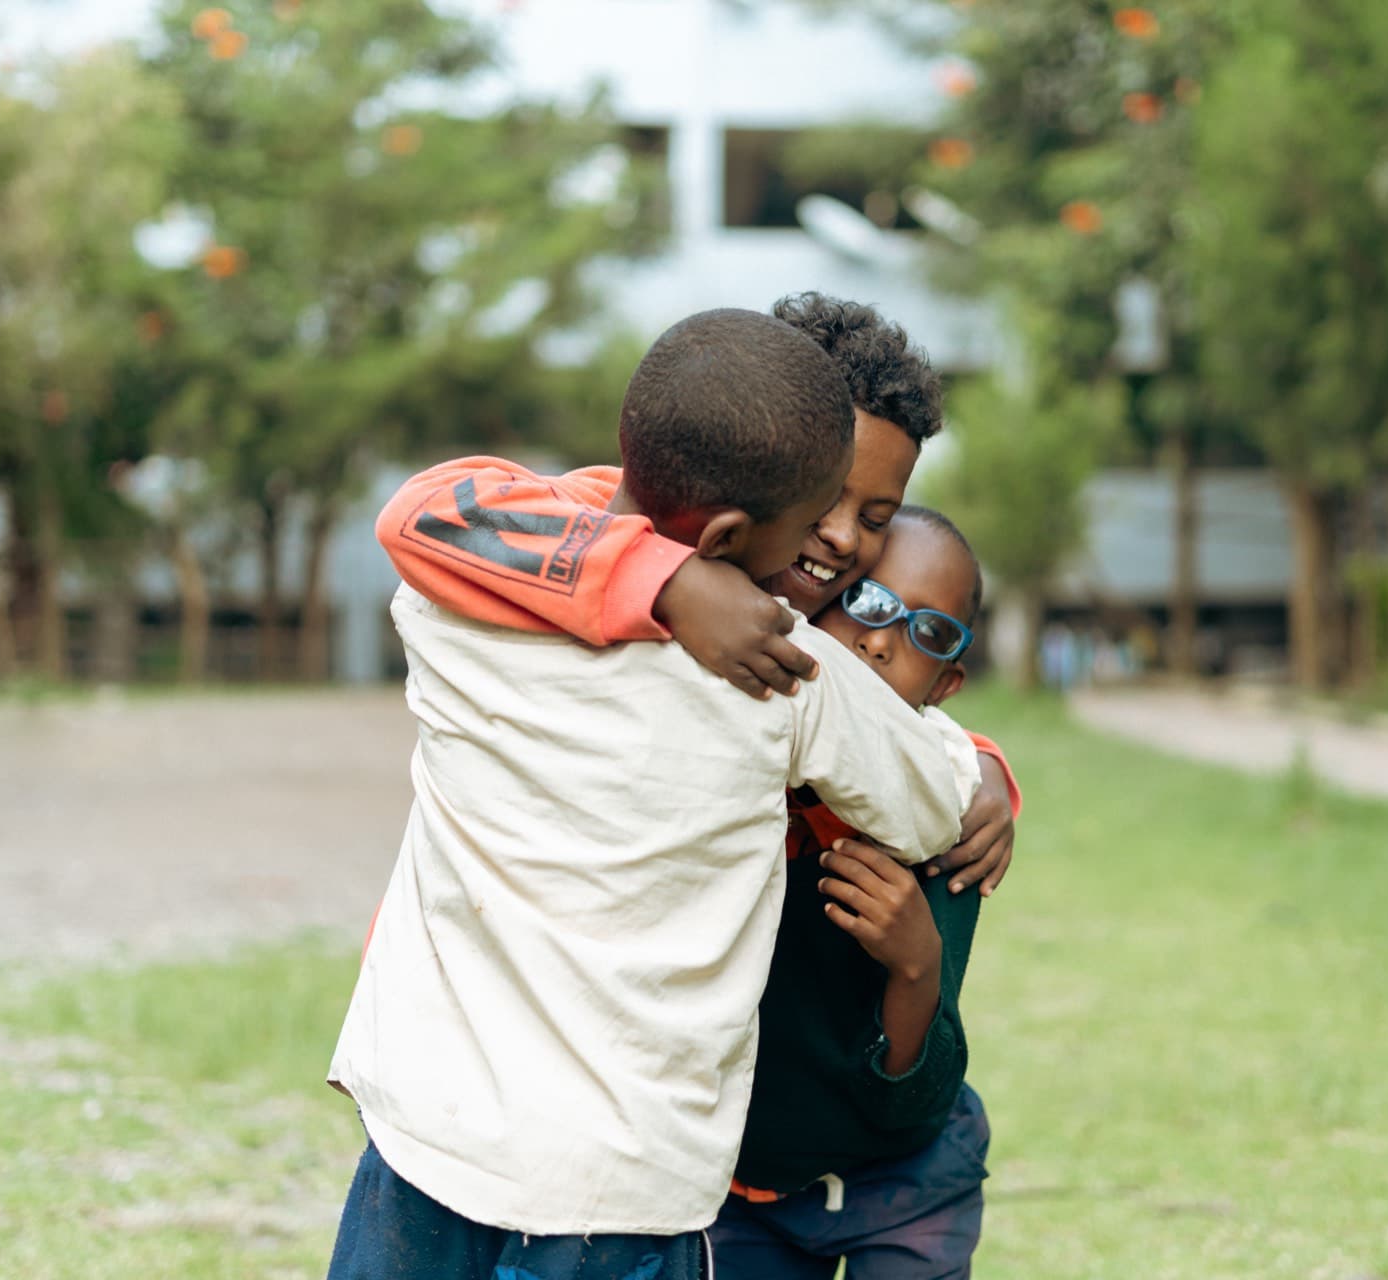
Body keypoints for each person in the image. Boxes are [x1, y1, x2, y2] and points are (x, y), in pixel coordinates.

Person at [325, 308, 984, 1280]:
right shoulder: (790, 670)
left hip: (429, 1133)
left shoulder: (450, 601)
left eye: (874, 518)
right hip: (618, 1190)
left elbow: (427, 509)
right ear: (739, 526)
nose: (838, 542)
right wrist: (984, 765)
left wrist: (652, 569)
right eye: (818, 510)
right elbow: (934, 795)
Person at [714, 505, 997, 1279]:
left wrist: (916, 966)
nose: (881, 639)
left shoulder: (947, 822)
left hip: (907, 1181)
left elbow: (918, 1094)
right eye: (867, 601)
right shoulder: (732, 759)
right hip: (741, 1190)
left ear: (946, 681)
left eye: (927, 631)